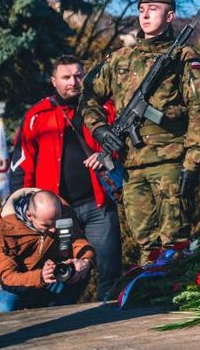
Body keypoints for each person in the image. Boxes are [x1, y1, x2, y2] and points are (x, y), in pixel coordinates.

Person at [81, 0, 200, 265]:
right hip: (131, 165)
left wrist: (192, 163)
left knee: (175, 242)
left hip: (170, 162)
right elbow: (88, 95)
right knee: (146, 244)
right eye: (141, 10)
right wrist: (100, 129)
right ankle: (148, 301)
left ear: (170, 16)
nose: (145, 15)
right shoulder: (120, 59)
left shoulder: (184, 57)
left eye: (153, 9)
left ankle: (174, 299)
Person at [14, 55, 122, 300]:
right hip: (58, 213)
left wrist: (106, 156)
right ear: (54, 81)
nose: (73, 82)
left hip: (98, 206)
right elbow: (22, 166)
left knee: (109, 272)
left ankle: (111, 325)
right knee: (64, 275)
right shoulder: (37, 116)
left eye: (78, 75)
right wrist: (24, 207)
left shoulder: (103, 109)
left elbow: (120, 148)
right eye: (66, 77)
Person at [0, 188, 94, 313]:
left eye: (57, 222)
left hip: (54, 278)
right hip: (18, 286)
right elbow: (7, 276)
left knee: (80, 273)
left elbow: (78, 241)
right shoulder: (5, 229)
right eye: (46, 225)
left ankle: (60, 319)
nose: (53, 230)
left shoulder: (64, 212)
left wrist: (85, 260)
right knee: (3, 306)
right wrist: (40, 276)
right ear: (29, 215)